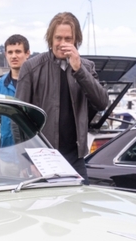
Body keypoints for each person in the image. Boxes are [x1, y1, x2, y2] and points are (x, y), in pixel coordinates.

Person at [15, 12, 109, 181]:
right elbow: (18, 117)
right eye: (58, 38)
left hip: (76, 157)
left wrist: (79, 70)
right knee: (47, 207)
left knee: (78, 205)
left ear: (76, 41)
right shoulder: (31, 68)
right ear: (50, 39)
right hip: (42, 158)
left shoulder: (86, 67)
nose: (62, 44)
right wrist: (26, 160)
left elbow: (102, 103)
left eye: (68, 39)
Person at [0, 34, 30, 174]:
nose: (14, 56)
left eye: (18, 51)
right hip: (7, 156)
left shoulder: (36, 83)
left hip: (30, 156)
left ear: (27, 54)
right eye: (10, 52)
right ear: (5, 54)